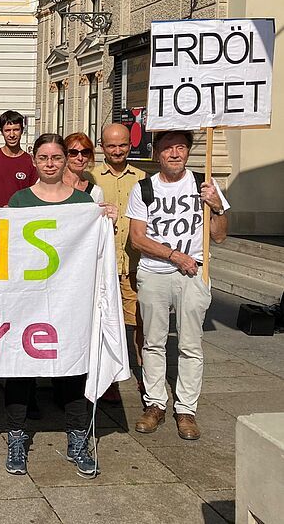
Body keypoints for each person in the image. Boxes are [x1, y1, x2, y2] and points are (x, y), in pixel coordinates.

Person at [4, 133, 116, 478]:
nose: (50, 163)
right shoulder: (19, 200)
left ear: (65, 160)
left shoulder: (84, 204)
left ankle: (77, 437)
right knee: (20, 368)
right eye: (43, 157)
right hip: (28, 301)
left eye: (56, 157)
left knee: (73, 365)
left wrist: (104, 220)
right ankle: (17, 436)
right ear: (34, 161)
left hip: (70, 300)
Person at [127, 130, 229, 441]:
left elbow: (220, 235)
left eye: (181, 148)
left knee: (190, 344)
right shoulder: (144, 188)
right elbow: (138, 238)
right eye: (168, 148)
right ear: (156, 153)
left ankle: (186, 409)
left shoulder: (205, 184)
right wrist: (175, 256)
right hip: (155, 272)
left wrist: (218, 208)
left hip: (194, 274)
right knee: (154, 341)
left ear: (188, 152)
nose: (175, 154)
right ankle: (155, 403)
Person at [91, 123, 147, 401]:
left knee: (139, 323)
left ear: (129, 145)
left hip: (134, 263)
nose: (117, 151)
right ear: (102, 146)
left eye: (122, 145)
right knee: (103, 324)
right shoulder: (91, 178)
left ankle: (144, 376)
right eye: (111, 146)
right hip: (103, 264)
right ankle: (108, 379)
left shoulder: (142, 178)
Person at [0, 110, 36, 207]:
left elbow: (33, 193)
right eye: (7, 130)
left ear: (22, 131)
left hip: (18, 216)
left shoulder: (31, 161)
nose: (12, 135)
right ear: (1, 132)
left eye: (16, 130)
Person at [63, 132, 104, 203]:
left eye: (85, 152)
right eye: (73, 153)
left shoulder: (96, 192)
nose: (80, 158)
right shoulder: (50, 184)